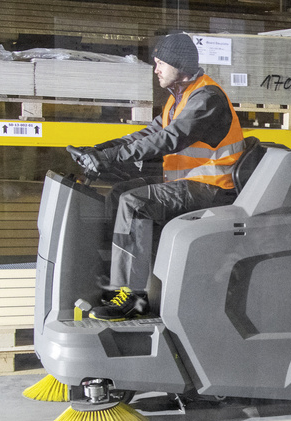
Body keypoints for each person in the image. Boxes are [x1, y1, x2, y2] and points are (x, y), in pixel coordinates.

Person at [68, 31, 246, 321]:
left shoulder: (206, 98)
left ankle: (134, 298)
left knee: (135, 203)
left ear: (180, 65)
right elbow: (150, 133)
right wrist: (101, 149)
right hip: (186, 183)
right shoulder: (180, 97)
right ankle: (118, 282)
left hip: (212, 187)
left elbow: (170, 139)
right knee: (119, 193)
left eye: (161, 62)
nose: (156, 69)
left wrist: (113, 156)